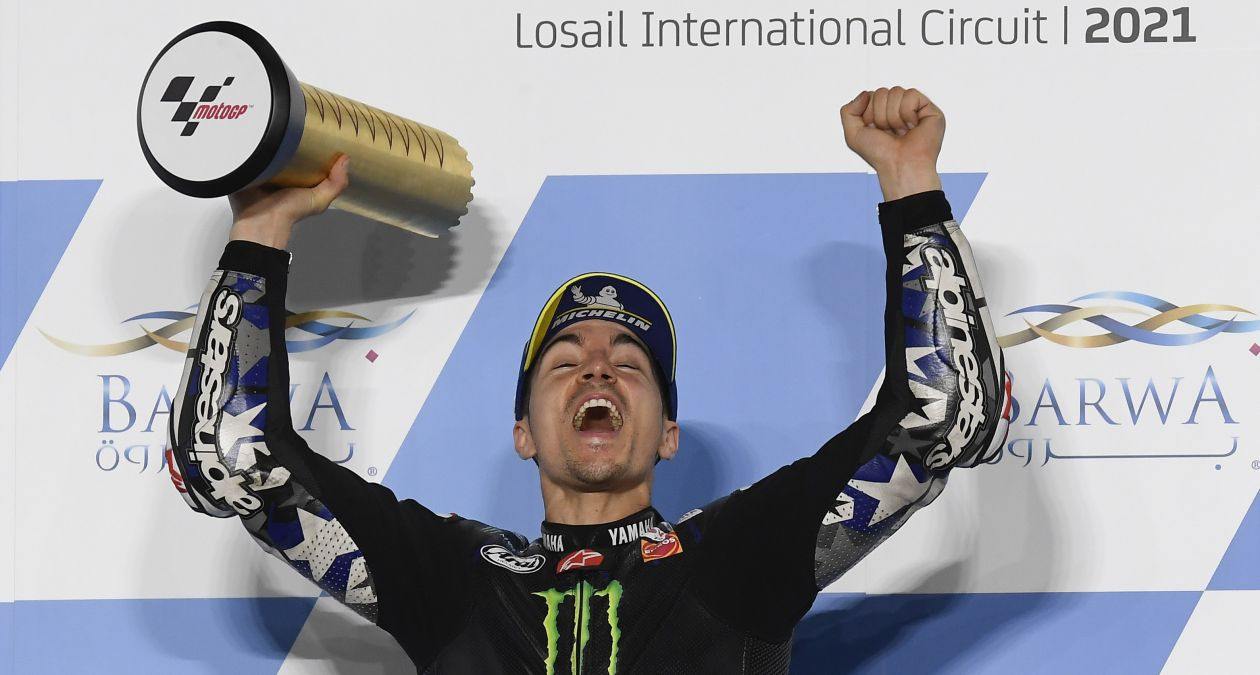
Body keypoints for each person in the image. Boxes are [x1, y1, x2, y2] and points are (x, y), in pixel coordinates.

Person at [167, 86, 1010, 674]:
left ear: (668, 433)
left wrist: (909, 183)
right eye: (565, 361)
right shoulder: (453, 577)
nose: (598, 365)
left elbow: (940, 417)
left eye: (630, 363)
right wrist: (262, 226)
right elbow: (232, 459)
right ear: (523, 430)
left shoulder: (734, 557)